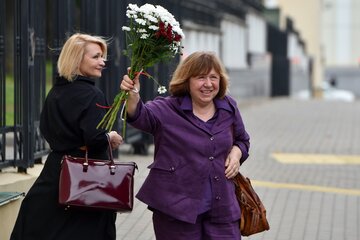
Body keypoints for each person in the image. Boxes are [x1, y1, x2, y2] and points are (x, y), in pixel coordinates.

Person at [120, 51, 250, 239]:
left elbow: (242, 140)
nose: (208, 84)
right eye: (201, 77)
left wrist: (237, 153)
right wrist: (132, 94)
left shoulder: (228, 107)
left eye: (213, 77)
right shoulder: (167, 109)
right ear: (186, 80)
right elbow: (139, 116)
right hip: (177, 211)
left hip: (222, 210)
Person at [10, 33, 123, 240]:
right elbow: (95, 138)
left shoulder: (55, 92)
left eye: (102, 56)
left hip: (55, 172)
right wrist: (110, 136)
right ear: (78, 59)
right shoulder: (92, 95)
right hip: (87, 178)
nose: (103, 61)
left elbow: (46, 128)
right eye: (96, 56)